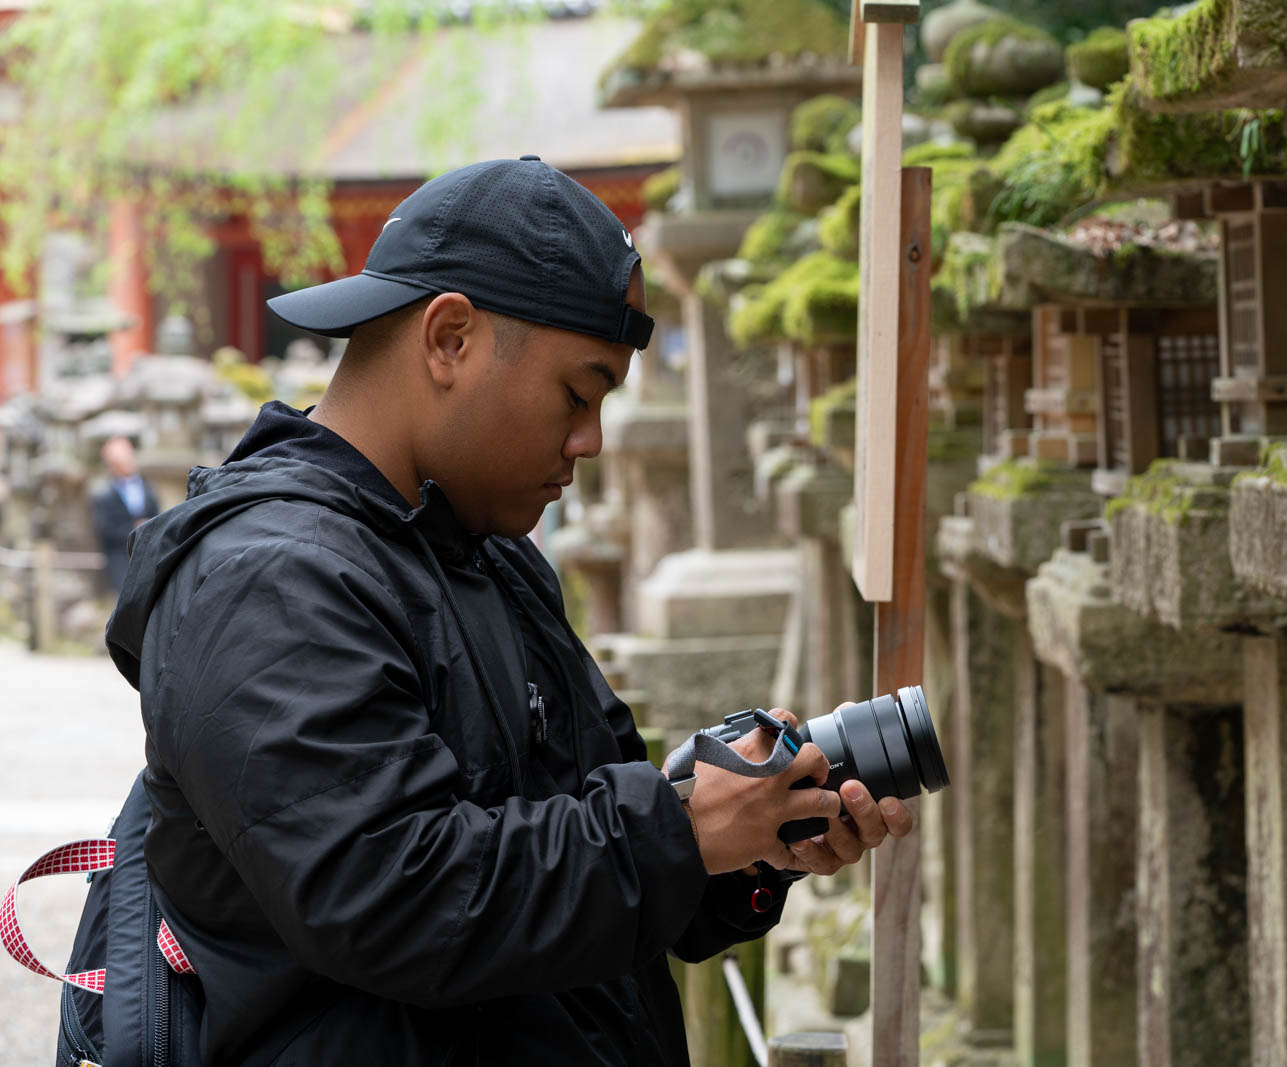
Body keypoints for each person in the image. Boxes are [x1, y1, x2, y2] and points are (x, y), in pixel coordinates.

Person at [105, 156, 913, 1066]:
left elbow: (583, 852)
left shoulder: (488, 556)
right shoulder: (266, 578)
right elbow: (391, 897)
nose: (591, 441)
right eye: (578, 393)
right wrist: (677, 830)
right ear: (449, 338)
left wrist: (749, 836)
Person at [91, 435, 160, 595]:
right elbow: (104, 528)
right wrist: (134, 528)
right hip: (119, 560)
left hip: (149, 555)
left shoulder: (148, 488)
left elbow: (157, 513)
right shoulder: (104, 495)